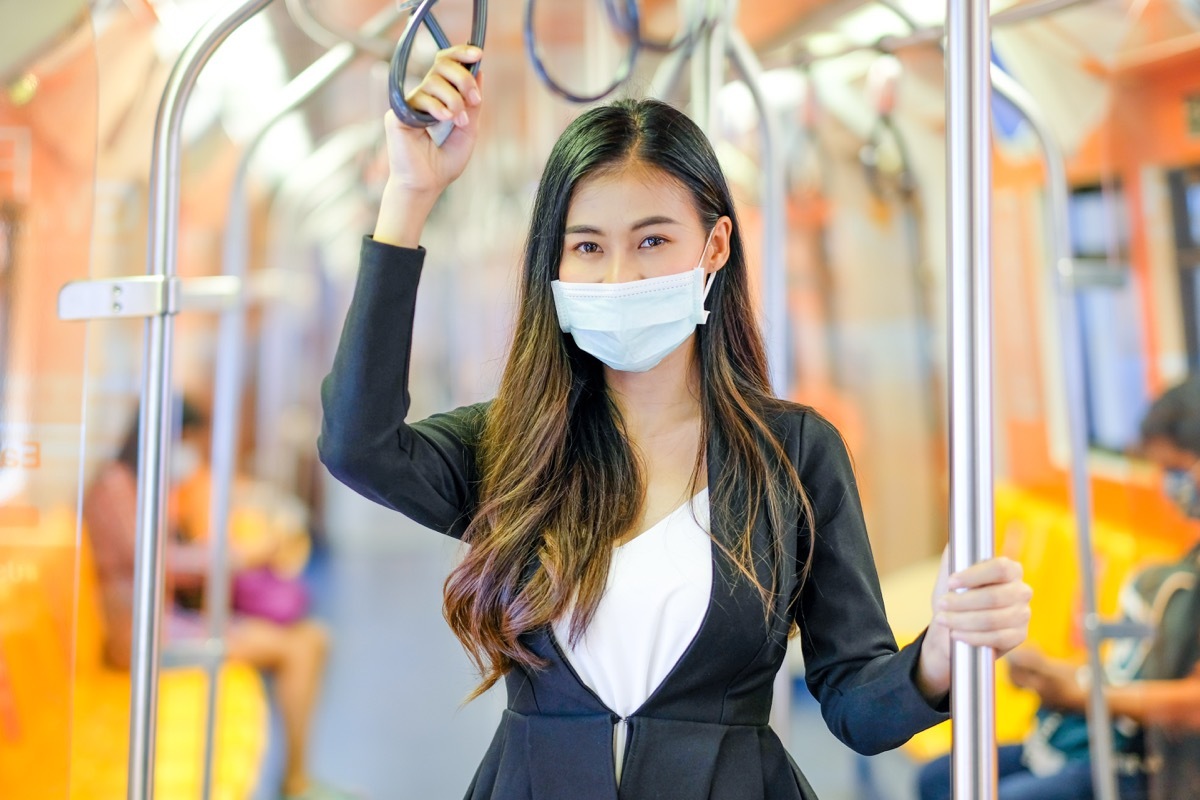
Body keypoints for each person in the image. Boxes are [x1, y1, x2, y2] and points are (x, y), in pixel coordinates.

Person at [318, 45, 1032, 799]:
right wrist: (408, 194)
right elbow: (357, 445)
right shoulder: (515, 447)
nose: (620, 276)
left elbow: (855, 701)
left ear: (714, 246)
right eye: (588, 247)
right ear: (554, 266)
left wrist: (942, 654)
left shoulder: (792, 454)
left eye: (653, 241)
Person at [916, 377, 1200, 800]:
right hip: (1123, 734)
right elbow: (1135, 669)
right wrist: (1062, 678)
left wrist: (1084, 695)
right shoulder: (1187, 560)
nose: (1167, 485)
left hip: (1156, 764)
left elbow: (1192, 705)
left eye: (1176, 469)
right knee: (939, 779)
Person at [83, 400, 355, 800]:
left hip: (169, 618)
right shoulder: (114, 488)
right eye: (187, 440)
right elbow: (157, 561)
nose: (190, 453)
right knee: (300, 649)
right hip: (141, 634)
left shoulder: (150, 486)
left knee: (313, 638)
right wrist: (238, 556)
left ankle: (298, 776)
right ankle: (296, 782)